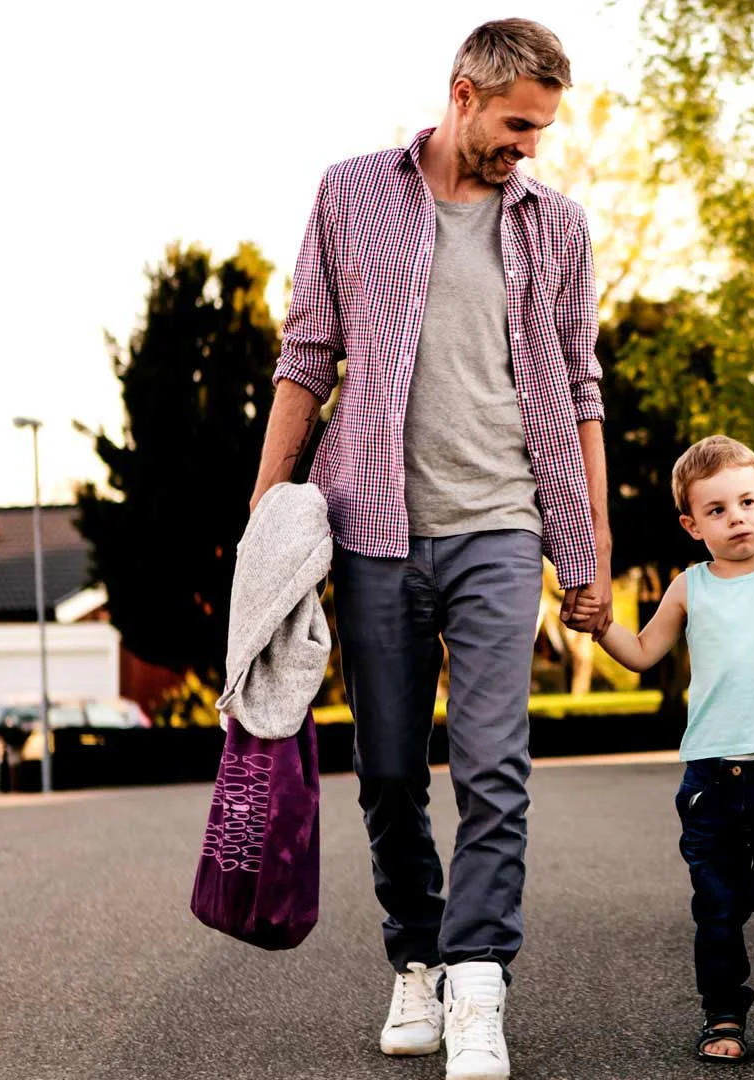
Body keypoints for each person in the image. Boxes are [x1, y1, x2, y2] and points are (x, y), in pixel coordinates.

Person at [245, 19, 611, 1080]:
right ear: (463, 93)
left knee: (495, 767)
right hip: (373, 529)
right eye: (517, 125)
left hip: (502, 523)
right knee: (391, 774)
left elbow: (580, 385)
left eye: (541, 131)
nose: (528, 147)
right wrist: (265, 514)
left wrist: (589, 540)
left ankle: (480, 979)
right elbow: (306, 356)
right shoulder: (352, 192)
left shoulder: (557, 225)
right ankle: (418, 959)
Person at [593, 435, 754, 1064]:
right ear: (692, 525)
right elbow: (641, 653)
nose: (737, 519)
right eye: (718, 510)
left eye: (748, 502)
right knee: (718, 906)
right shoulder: (689, 587)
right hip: (710, 780)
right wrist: (600, 625)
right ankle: (723, 1008)